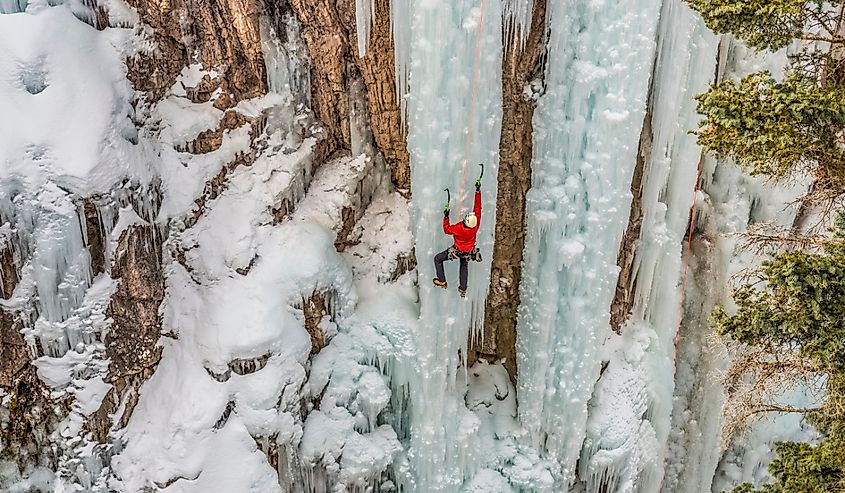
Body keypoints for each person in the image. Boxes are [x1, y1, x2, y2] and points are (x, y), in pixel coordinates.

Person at [433, 178, 482, 298]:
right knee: (464, 266)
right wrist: (477, 191)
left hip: (457, 250)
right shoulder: (475, 225)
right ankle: (463, 289)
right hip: (468, 251)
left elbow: (446, 229)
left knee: (438, 259)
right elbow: (478, 208)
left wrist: (446, 216)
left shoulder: (459, 228)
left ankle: (442, 280)